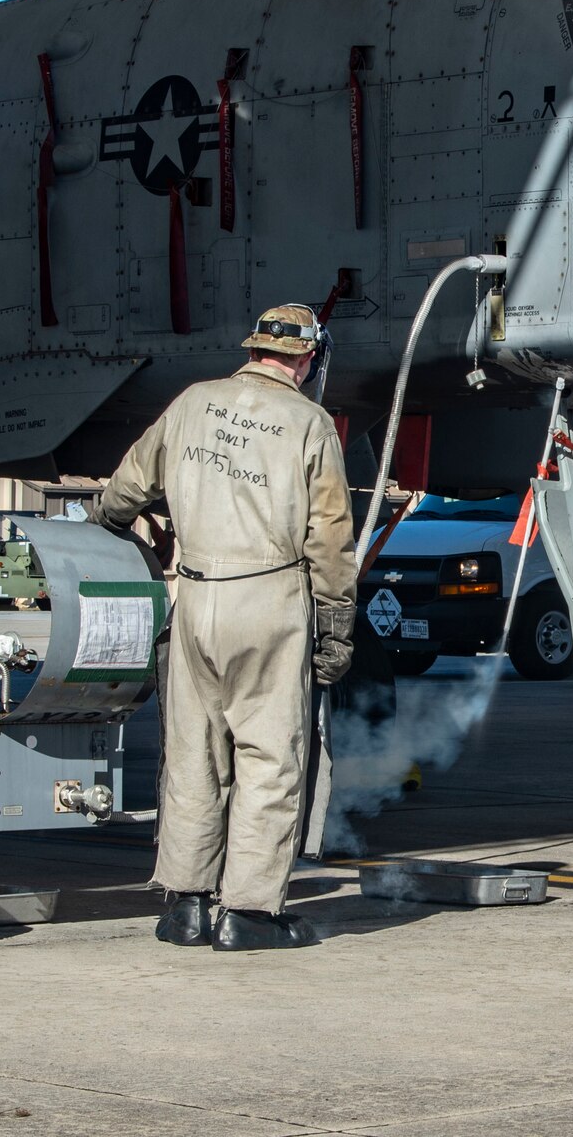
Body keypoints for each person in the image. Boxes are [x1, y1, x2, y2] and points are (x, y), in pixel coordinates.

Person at [98, 303, 356, 951]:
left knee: (193, 752)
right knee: (270, 756)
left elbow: (126, 487)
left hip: (196, 596)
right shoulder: (310, 423)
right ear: (306, 358)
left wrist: (105, 524)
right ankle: (248, 912)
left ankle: (185, 905)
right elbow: (329, 541)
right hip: (268, 601)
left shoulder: (192, 403)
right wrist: (337, 629)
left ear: (256, 348)